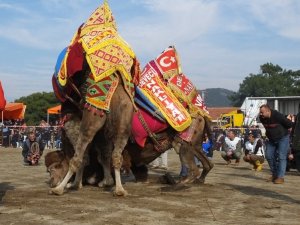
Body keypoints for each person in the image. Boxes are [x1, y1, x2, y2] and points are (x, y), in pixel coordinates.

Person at [259, 104, 293, 184]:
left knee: (281, 157)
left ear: (268, 111)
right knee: (268, 155)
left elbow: (289, 124)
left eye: (262, 112)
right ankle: (275, 174)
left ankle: (280, 177)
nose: (260, 114)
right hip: (271, 139)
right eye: (260, 112)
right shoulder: (262, 118)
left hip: (283, 138)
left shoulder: (278, 116)